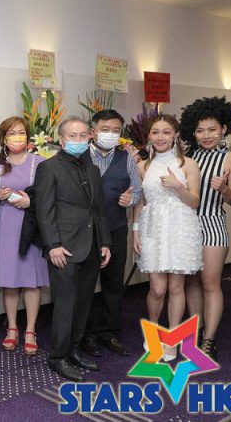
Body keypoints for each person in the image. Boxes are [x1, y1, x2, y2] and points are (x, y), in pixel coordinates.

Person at [34, 116, 111, 382]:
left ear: (89, 137)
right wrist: (52, 245)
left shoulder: (93, 170)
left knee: (84, 303)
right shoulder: (48, 168)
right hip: (63, 248)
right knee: (65, 305)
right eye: (72, 136)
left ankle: (74, 349)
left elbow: (98, 210)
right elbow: (44, 211)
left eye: (82, 136)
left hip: (91, 246)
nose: (78, 140)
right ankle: (58, 357)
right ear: (61, 139)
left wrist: (105, 243)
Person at [133, 114, 202, 362]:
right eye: (155, 132)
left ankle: (173, 338)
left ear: (175, 135)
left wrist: (178, 186)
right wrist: (135, 231)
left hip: (180, 228)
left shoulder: (188, 164)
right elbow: (140, 202)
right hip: (152, 228)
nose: (160, 137)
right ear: (149, 136)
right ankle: (152, 331)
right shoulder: (142, 166)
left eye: (166, 132)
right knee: (157, 288)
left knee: (175, 287)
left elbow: (194, 202)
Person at [180, 97, 231, 360]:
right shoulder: (188, 156)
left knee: (210, 282)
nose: (206, 135)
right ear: (193, 132)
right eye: (200, 130)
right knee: (191, 281)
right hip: (187, 224)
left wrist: (224, 188)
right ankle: (196, 331)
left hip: (213, 223)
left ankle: (209, 339)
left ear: (224, 128)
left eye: (212, 129)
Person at [81, 109, 142, 358]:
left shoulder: (126, 159)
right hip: (85, 232)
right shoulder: (79, 156)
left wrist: (130, 200)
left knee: (113, 283)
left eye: (116, 130)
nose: (110, 134)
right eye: (105, 129)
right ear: (92, 132)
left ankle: (108, 332)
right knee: (85, 284)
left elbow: (137, 192)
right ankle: (85, 334)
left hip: (116, 228)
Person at [0, 116, 47, 356]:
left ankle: (30, 330)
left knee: (32, 280)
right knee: (9, 280)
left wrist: (30, 201)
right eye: (11, 133)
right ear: (3, 138)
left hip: (32, 226)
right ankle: (12, 328)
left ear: (28, 136)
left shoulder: (40, 163)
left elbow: (48, 196)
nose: (17, 137)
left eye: (21, 132)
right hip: (6, 226)